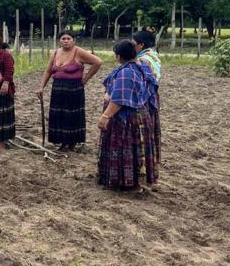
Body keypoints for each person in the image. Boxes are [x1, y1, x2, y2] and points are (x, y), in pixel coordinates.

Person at [97, 39, 158, 193]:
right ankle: (125, 182)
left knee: (128, 149)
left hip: (129, 119)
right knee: (133, 150)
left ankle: (132, 184)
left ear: (118, 56)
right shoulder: (142, 67)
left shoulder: (126, 73)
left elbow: (119, 99)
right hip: (140, 116)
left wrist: (105, 116)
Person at [37, 31, 102, 150]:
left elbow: (98, 62)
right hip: (57, 88)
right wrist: (41, 87)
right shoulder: (55, 53)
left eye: (68, 39)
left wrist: (85, 79)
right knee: (58, 115)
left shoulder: (79, 52)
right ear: (59, 41)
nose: (66, 41)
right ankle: (63, 142)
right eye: (63, 39)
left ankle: (71, 143)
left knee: (71, 115)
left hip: (74, 89)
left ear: (73, 40)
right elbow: (48, 71)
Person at [133, 29, 163, 165]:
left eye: (133, 43)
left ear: (141, 45)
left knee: (142, 128)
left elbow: (141, 83)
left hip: (145, 97)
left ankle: (143, 160)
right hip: (153, 94)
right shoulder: (153, 55)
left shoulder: (142, 60)